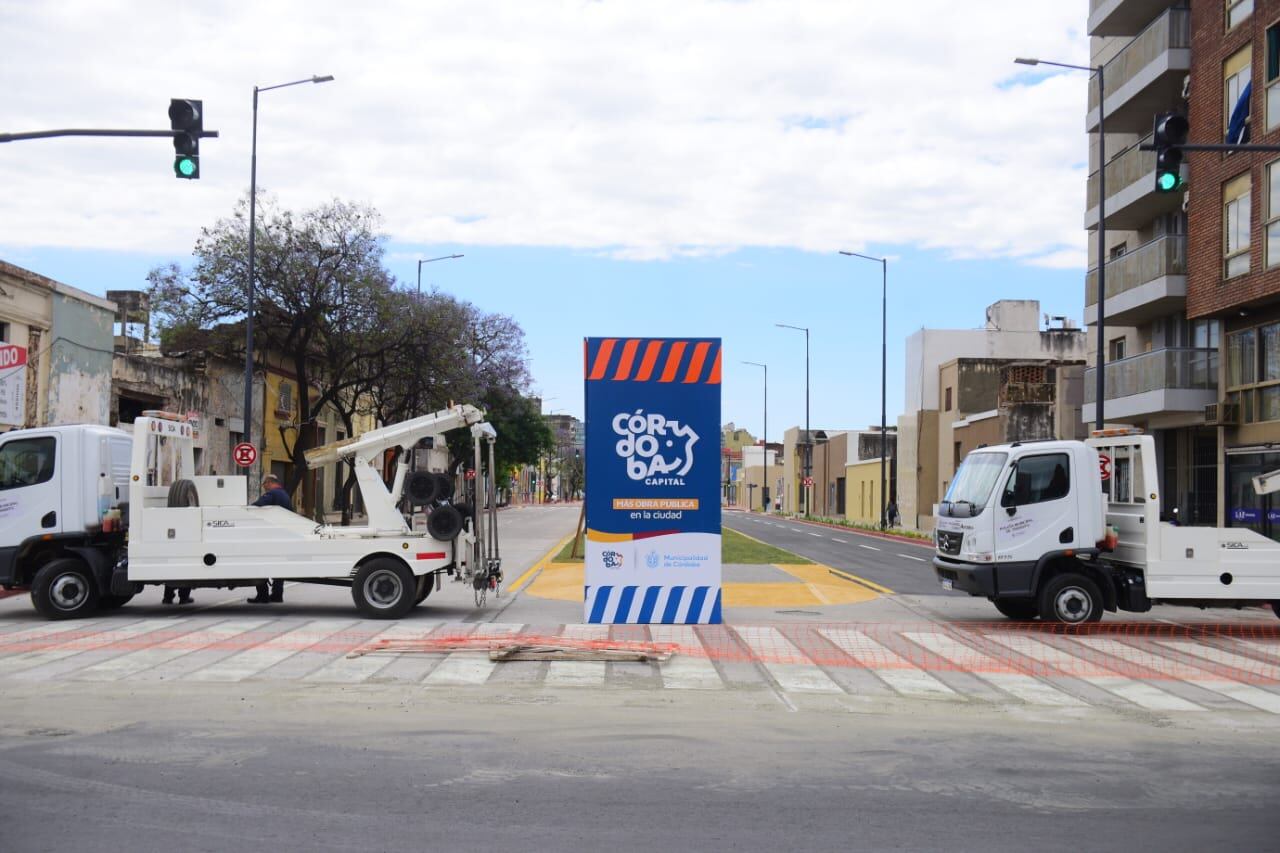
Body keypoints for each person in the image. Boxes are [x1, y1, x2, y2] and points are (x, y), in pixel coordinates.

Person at [247, 474, 294, 604]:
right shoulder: (284, 494)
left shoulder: (272, 494)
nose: (264, 487)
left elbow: (257, 506)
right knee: (279, 568)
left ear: (269, 482)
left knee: (260, 564)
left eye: (264, 484)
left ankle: (262, 595)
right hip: (283, 535)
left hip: (272, 536)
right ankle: (277, 595)